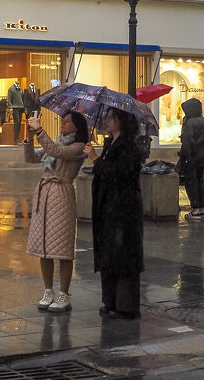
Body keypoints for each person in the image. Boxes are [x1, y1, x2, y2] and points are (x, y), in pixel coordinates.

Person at [24, 110, 90, 313]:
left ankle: (63, 293)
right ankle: (48, 290)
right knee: (43, 245)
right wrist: (29, 137)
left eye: (68, 121)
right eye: (63, 120)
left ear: (77, 127)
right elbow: (32, 158)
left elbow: (57, 152)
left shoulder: (79, 147)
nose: (63, 123)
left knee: (62, 248)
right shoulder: (57, 140)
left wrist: (40, 130)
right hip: (44, 194)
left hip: (61, 194)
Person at [84, 108, 144, 319]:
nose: (106, 121)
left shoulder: (129, 146)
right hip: (109, 208)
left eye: (110, 118)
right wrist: (99, 159)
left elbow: (118, 175)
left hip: (124, 210)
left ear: (120, 121)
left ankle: (126, 306)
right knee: (110, 254)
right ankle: (110, 301)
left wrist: (95, 159)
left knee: (123, 255)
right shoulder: (110, 144)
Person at [178, 98, 204, 219]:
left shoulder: (189, 122)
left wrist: (183, 154)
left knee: (191, 182)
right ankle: (202, 207)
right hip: (202, 156)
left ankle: (195, 209)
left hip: (191, 157)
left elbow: (187, 142)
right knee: (200, 181)